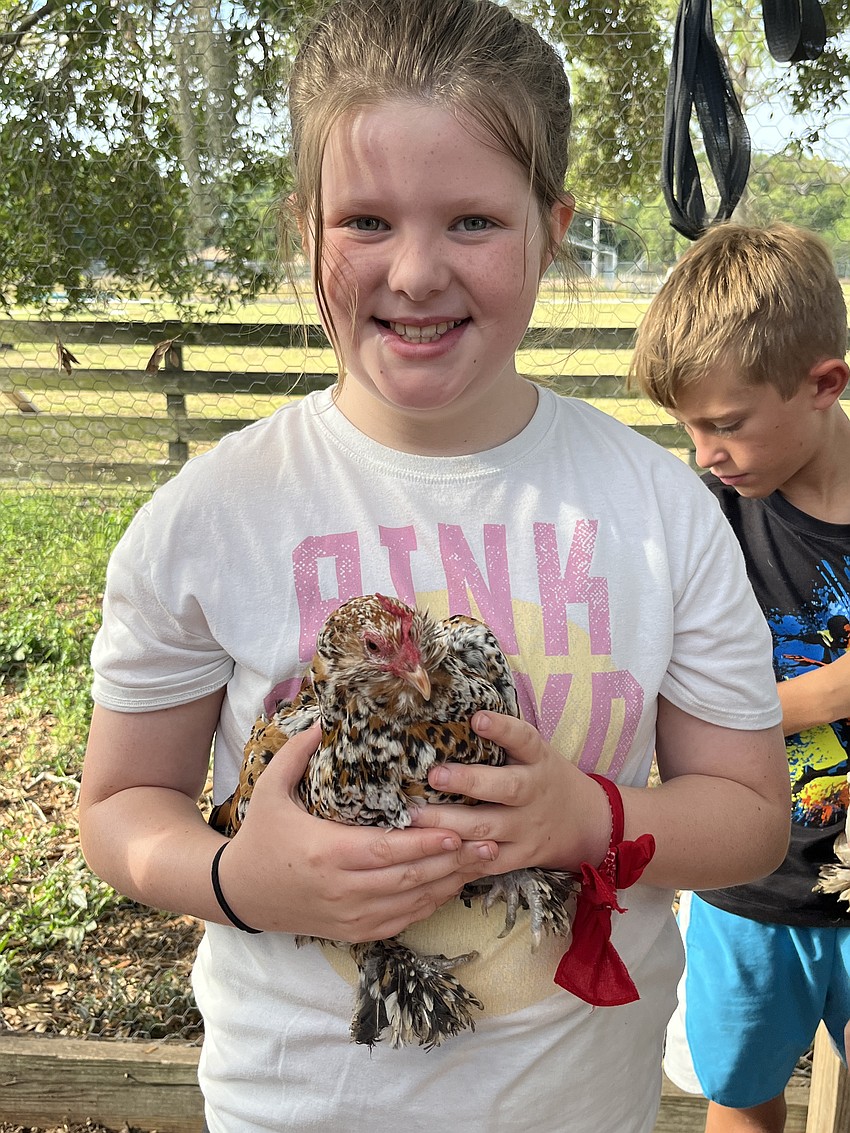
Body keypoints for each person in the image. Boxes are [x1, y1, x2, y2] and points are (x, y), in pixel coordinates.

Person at [78, 4, 789, 1130]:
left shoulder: (659, 509)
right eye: (364, 218)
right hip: (296, 1107)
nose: (414, 271)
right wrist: (234, 880)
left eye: (470, 221)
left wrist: (585, 817)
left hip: (579, 1108)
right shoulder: (208, 517)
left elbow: (750, 815)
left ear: (551, 229)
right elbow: (120, 804)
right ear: (301, 229)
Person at [629, 220, 850, 1133]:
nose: (704, 452)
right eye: (688, 427)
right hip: (747, 887)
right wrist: (823, 697)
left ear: (824, 383)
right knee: (738, 1090)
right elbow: (669, 709)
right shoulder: (703, 520)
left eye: (725, 424)